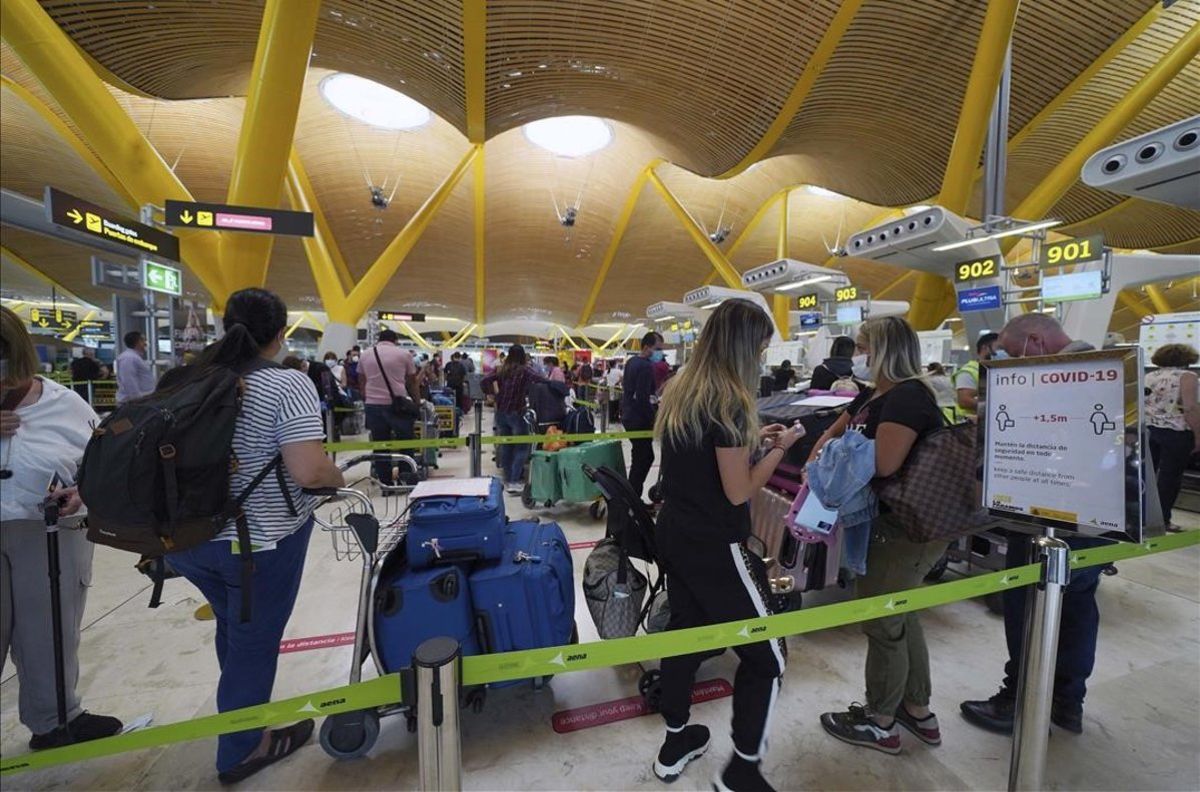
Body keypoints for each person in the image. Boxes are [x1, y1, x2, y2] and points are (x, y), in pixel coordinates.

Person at [159, 289, 343, 783]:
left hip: (193, 540)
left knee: (235, 629)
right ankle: (242, 749)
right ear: (280, 335)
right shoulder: (287, 385)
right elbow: (308, 471)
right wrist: (339, 477)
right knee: (254, 642)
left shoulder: (189, 379)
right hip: (258, 543)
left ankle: (244, 717)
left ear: (225, 327)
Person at [652, 299, 803, 792]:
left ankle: (676, 738)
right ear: (743, 347)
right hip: (717, 544)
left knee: (687, 633)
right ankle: (741, 771)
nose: (761, 358)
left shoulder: (684, 389)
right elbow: (738, 490)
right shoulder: (730, 399)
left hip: (677, 531)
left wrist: (752, 439)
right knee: (770, 657)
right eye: (759, 348)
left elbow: (704, 457)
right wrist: (780, 447)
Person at [806, 316, 949, 754]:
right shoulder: (877, 393)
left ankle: (880, 721)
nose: (857, 358)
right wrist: (828, 447)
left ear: (885, 351)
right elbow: (836, 430)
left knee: (882, 620)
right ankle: (916, 708)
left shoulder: (907, 398)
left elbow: (884, 464)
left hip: (904, 527)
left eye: (865, 348)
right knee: (902, 613)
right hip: (891, 522)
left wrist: (837, 453)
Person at [960, 313, 1106, 736]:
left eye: (1008, 348)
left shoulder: (1040, 384)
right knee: (1080, 608)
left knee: (1026, 608)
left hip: (1039, 515)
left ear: (1036, 341)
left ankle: (1016, 700)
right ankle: (1067, 702)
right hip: (1095, 520)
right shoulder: (1107, 377)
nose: (1005, 357)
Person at [0, 306, 124, 750]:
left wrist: (82, 492)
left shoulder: (64, 402)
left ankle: (55, 718)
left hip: (50, 532)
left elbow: (101, 463)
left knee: (50, 627)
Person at [1145, 343, 1200, 530]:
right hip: (1176, 432)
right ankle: (1162, 520)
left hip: (1150, 429)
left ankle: (1143, 516)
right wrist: (1198, 435)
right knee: (1170, 477)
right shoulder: (1188, 377)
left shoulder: (1150, 376)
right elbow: (1190, 408)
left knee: (1148, 477)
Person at [482, 344, 547, 494]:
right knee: (522, 447)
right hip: (516, 413)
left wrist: (492, 394)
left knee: (506, 445)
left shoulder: (502, 369)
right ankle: (514, 480)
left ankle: (507, 477)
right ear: (523, 355)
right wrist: (556, 385)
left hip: (501, 413)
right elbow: (540, 379)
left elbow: (484, 381)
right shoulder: (524, 370)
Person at [358, 329, 420, 486]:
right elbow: (412, 381)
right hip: (397, 405)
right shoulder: (404, 354)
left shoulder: (365, 354)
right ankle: (405, 479)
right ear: (395, 340)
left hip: (373, 405)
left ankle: (385, 483)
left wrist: (367, 397)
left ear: (379, 339)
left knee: (380, 446)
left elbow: (361, 379)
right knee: (405, 443)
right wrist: (417, 402)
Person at [622, 332, 664, 499]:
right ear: (646, 347)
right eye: (657, 349)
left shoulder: (631, 362)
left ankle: (632, 497)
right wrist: (654, 419)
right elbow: (642, 398)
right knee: (645, 457)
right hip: (639, 418)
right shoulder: (646, 366)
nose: (659, 353)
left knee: (640, 456)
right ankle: (633, 499)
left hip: (628, 415)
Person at [953, 332, 999, 421]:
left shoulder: (994, 370)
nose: (1002, 352)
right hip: (969, 426)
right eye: (998, 348)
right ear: (984, 348)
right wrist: (994, 406)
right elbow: (964, 401)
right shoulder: (968, 371)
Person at [115, 330, 155, 403]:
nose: (146, 343)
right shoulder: (129, 358)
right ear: (138, 342)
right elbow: (129, 380)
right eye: (144, 340)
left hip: (142, 400)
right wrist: (137, 399)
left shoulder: (134, 357)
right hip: (133, 402)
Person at [605, 359, 624, 423]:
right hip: (616, 388)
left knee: (610, 404)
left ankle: (611, 418)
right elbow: (622, 378)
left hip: (609, 388)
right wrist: (617, 382)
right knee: (617, 403)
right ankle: (616, 418)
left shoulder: (607, 371)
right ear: (615, 364)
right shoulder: (618, 371)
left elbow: (604, 379)